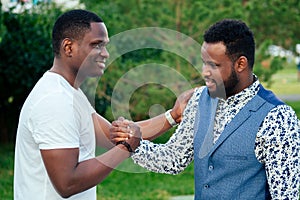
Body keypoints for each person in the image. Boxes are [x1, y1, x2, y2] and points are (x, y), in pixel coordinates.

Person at [13, 9, 193, 200]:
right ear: (68, 47)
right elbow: (67, 183)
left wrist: (173, 116)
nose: (105, 54)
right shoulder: (54, 100)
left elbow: (112, 137)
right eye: (96, 45)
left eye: (105, 46)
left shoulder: (70, 93)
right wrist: (125, 149)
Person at [111, 19, 300, 199]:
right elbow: (173, 158)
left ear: (240, 64)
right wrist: (135, 144)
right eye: (204, 62)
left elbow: (286, 195)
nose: (204, 72)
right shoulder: (198, 100)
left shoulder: (278, 118)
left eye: (214, 65)